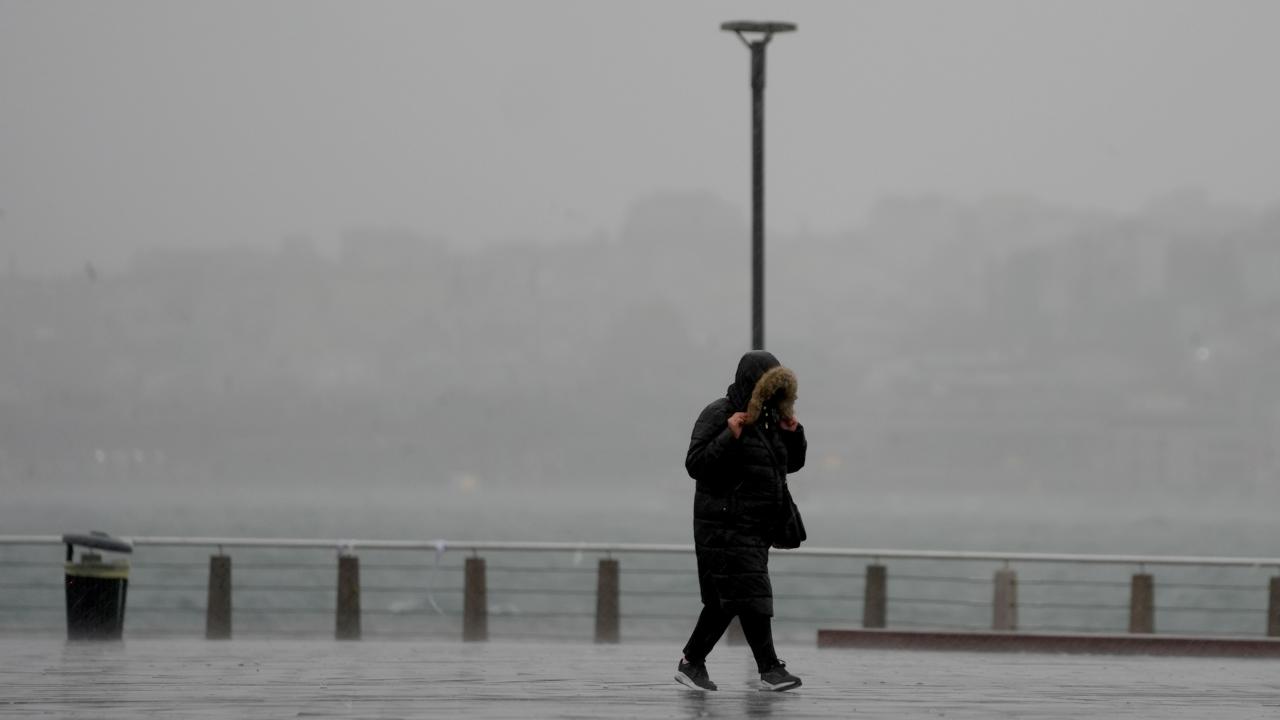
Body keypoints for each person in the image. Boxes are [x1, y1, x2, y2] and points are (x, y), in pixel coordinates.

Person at [675, 350, 806, 692]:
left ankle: (692, 662)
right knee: (752, 593)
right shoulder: (719, 413)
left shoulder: (768, 418)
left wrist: (793, 433)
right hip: (723, 525)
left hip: (755, 527)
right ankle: (769, 669)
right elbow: (696, 464)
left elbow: (789, 464)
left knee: (726, 600)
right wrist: (728, 435)